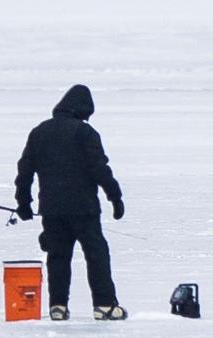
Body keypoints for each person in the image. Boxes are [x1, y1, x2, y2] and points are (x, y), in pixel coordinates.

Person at [14, 84, 128, 321]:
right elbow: (99, 169)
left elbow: (24, 170)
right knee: (96, 254)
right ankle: (105, 305)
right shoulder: (85, 133)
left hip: (52, 209)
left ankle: (57, 306)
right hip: (83, 208)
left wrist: (23, 202)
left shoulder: (39, 132)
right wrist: (115, 196)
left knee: (58, 256)